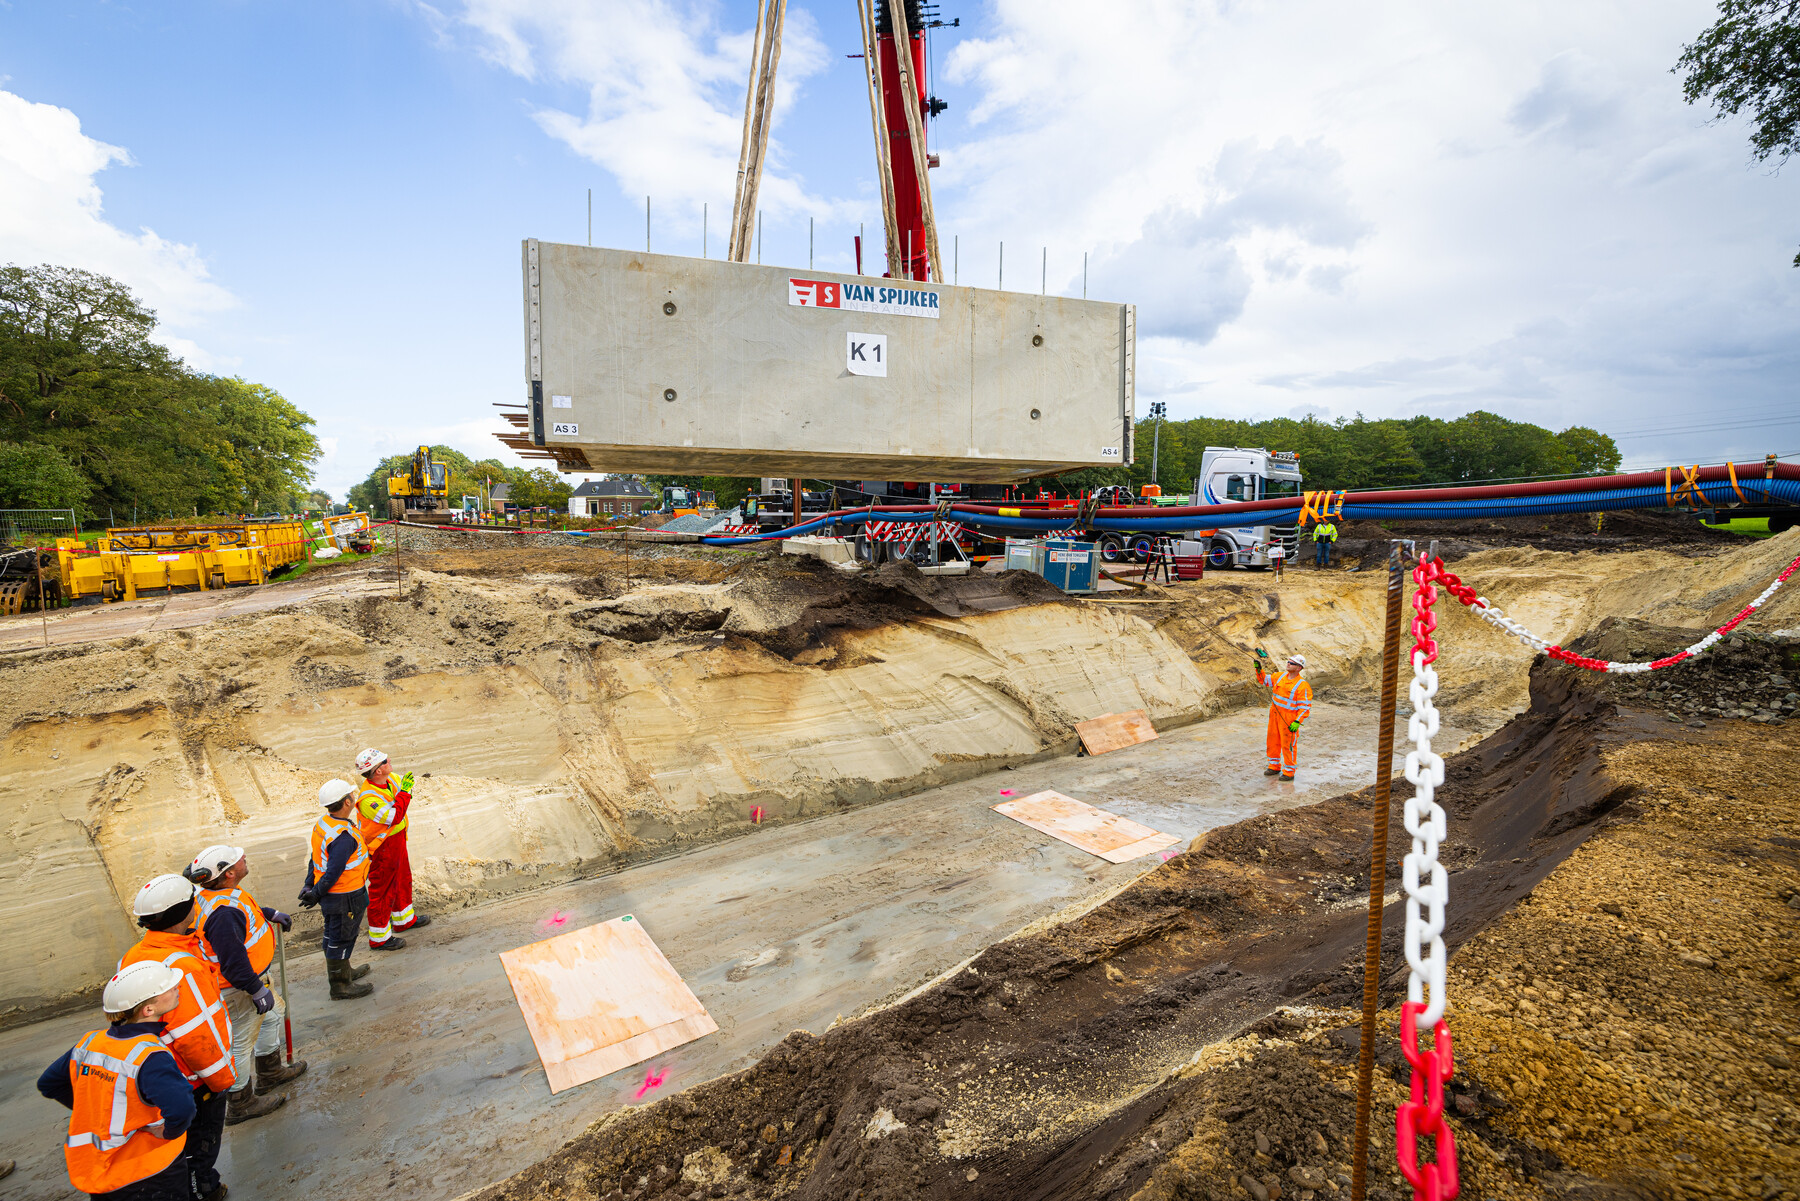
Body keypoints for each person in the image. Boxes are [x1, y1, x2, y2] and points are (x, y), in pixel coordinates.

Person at [118, 875, 235, 1201]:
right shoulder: (183, 968)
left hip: (157, 1073)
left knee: (176, 1143)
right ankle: (204, 1189)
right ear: (184, 912)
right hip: (196, 1080)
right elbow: (196, 1034)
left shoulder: (135, 956)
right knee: (201, 1141)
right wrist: (221, 1080)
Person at [38, 961, 196, 1200]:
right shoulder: (150, 1056)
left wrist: (97, 1112)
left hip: (99, 1173)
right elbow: (182, 1109)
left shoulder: (90, 1043)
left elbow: (49, 1083)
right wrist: (168, 1132)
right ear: (148, 1010)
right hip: (148, 1173)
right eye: (169, 988)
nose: (177, 988)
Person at [186, 846, 306, 1125]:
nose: (244, 859)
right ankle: (241, 1103)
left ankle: (270, 1073)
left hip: (249, 980)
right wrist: (255, 989)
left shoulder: (219, 895)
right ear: (228, 873)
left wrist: (268, 913)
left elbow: (244, 912)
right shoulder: (223, 914)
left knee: (271, 1018)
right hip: (238, 987)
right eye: (239, 859)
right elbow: (232, 963)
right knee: (241, 1043)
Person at [301, 780, 376, 999]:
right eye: (351, 794)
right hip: (345, 896)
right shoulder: (342, 837)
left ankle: (345, 971)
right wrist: (315, 893)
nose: (354, 796)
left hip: (337, 895)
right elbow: (333, 872)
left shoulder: (324, 824)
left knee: (335, 934)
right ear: (347, 802)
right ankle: (340, 985)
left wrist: (309, 885)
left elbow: (316, 859)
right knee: (341, 938)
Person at [354, 748, 431, 950]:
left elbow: (403, 797)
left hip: (397, 840)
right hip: (381, 847)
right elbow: (394, 816)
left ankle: (404, 919)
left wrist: (405, 793)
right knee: (382, 889)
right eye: (385, 761)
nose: (389, 761)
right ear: (377, 771)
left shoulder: (391, 779)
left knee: (402, 879)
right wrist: (405, 793)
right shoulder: (368, 800)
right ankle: (379, 938)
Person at [1258, 652, 1313, 780]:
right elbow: (1264, 680)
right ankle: (1274, 766)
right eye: (1288, 661)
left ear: (1299, 668)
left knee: (1288, 745)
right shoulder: (1280, 676)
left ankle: (1289, 772)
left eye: (1292, 663)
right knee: (1272, 741)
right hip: (1274, 715)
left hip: (1289, 719)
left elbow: (1304, 707)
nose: (1288, 664)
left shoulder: (1302, 685)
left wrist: (1297, 721)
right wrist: (1259, 669)